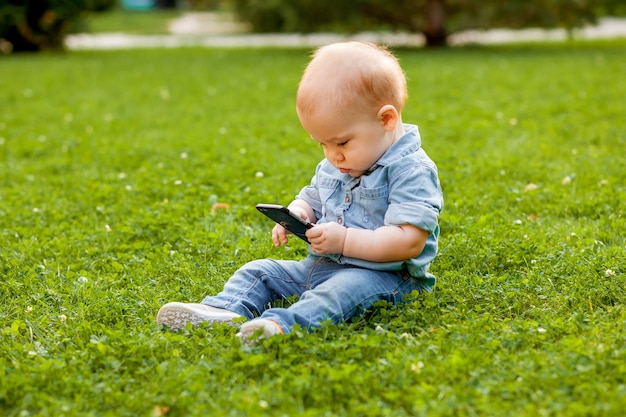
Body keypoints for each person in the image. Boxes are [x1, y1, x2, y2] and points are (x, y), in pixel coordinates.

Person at [157, 41, 444, 344]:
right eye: (322, 144)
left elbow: (409, 241)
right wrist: (298, 212)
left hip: (384, 277)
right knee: (259, 271)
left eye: (342, 143)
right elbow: (314, 197)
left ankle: (281, 327)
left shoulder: (410, 170)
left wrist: (345, 241)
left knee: (337, 294)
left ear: (386, 120)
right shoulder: (338, 164)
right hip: (320, 267)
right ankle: (224, 310)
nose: (333, 156)